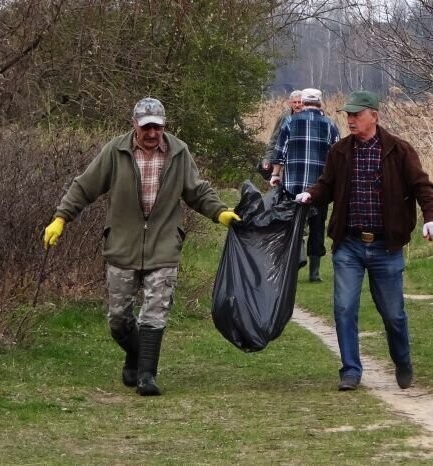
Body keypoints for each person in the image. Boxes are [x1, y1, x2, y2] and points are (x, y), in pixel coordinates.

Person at [42, 97, 240, 397]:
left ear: (164, 126)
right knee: (118, 318)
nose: (152, 133)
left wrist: (220, 213)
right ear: (134, 124)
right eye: (146, 127)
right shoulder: (116, 151)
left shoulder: (178, 152)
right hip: (122, 245)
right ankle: (135, 356)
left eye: (157, 127)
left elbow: (197, 191)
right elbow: (85, 186)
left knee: (154, 312)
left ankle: (147, 376)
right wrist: (60, 218)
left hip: (164, 245)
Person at [295, 90, 433, 391]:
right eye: (348, 116)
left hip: (385, 246)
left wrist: (432, 217)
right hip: (348, 244)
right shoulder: (340, 151)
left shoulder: (399, 151)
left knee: (393, 313)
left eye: (356, 115)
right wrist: (310, 194)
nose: (350, 120)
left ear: (373, 116)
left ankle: (402, 361)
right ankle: (350, 370)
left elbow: (422, 186)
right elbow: (327, 185)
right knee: (344, 307)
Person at [269, 88, 340, 282]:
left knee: (294, 223)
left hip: (293, 184)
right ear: (319, 102)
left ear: (304, 102)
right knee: (317, 228)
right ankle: (315, 273)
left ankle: (296, 258)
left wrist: (275, 175)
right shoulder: (330, 125)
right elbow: (337, 156)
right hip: (320, 187)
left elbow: (279, 152)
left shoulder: (290, 122)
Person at [258, 90, 303, 180]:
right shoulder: (284, 117)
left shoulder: (309, 117)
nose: (297, 105)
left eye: (299, 102)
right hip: (284, 161)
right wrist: (268, 158)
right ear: (290, 103)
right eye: (295, 102)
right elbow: (274, 139)